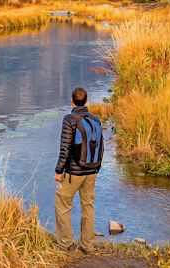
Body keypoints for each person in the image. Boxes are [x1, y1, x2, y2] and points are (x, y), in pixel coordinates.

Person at [54, 87, 104, 254]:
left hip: (73, 173)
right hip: (92, 171)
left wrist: (59, 170)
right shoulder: (96, 120)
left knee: (62, 205)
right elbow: (101, 147)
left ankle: (66, 244)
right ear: (87, 101)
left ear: (72, 101)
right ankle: (87, 245)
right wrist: (97, 168)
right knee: (88, 206)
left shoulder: (69, 119)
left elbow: (65, 148)